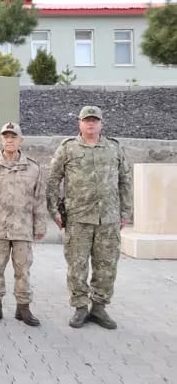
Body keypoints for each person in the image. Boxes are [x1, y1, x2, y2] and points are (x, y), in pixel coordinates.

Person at [47, 106, 132, 329]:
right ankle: (80, 307)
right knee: (77, 266)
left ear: (102, 123)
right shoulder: (68, 148)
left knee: (107, 266)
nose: (91, 124)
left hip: (108, 219)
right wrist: (54, 211)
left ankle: (99, 307)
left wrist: (125, 212)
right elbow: (53, 180)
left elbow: (125, 181)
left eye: (95, 120)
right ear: (80, 123)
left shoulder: (114, 148)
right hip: (78, 218)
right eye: (87, 120)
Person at [0, 122, 46, 326]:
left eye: (13, 137)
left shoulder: (33, 167)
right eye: (6, 137)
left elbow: (39, 199)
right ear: (1, 139)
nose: (9, 140)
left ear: (20, 140)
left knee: (23, 270)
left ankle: (23, 308)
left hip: (23, 228)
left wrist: (40, 226)